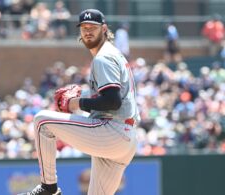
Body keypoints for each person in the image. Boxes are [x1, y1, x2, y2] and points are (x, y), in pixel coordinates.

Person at [19, 8, 139, 195]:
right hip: (125, 139)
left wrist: (76, 103)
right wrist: (82, 94)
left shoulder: (103, 57)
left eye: (93, 27)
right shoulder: (112, 54)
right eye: (84, 27)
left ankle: (48, 187)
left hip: (112, 131)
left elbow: (112, 101)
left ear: (104, 29)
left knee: (42, 122)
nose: (88, 31)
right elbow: (112, 96)